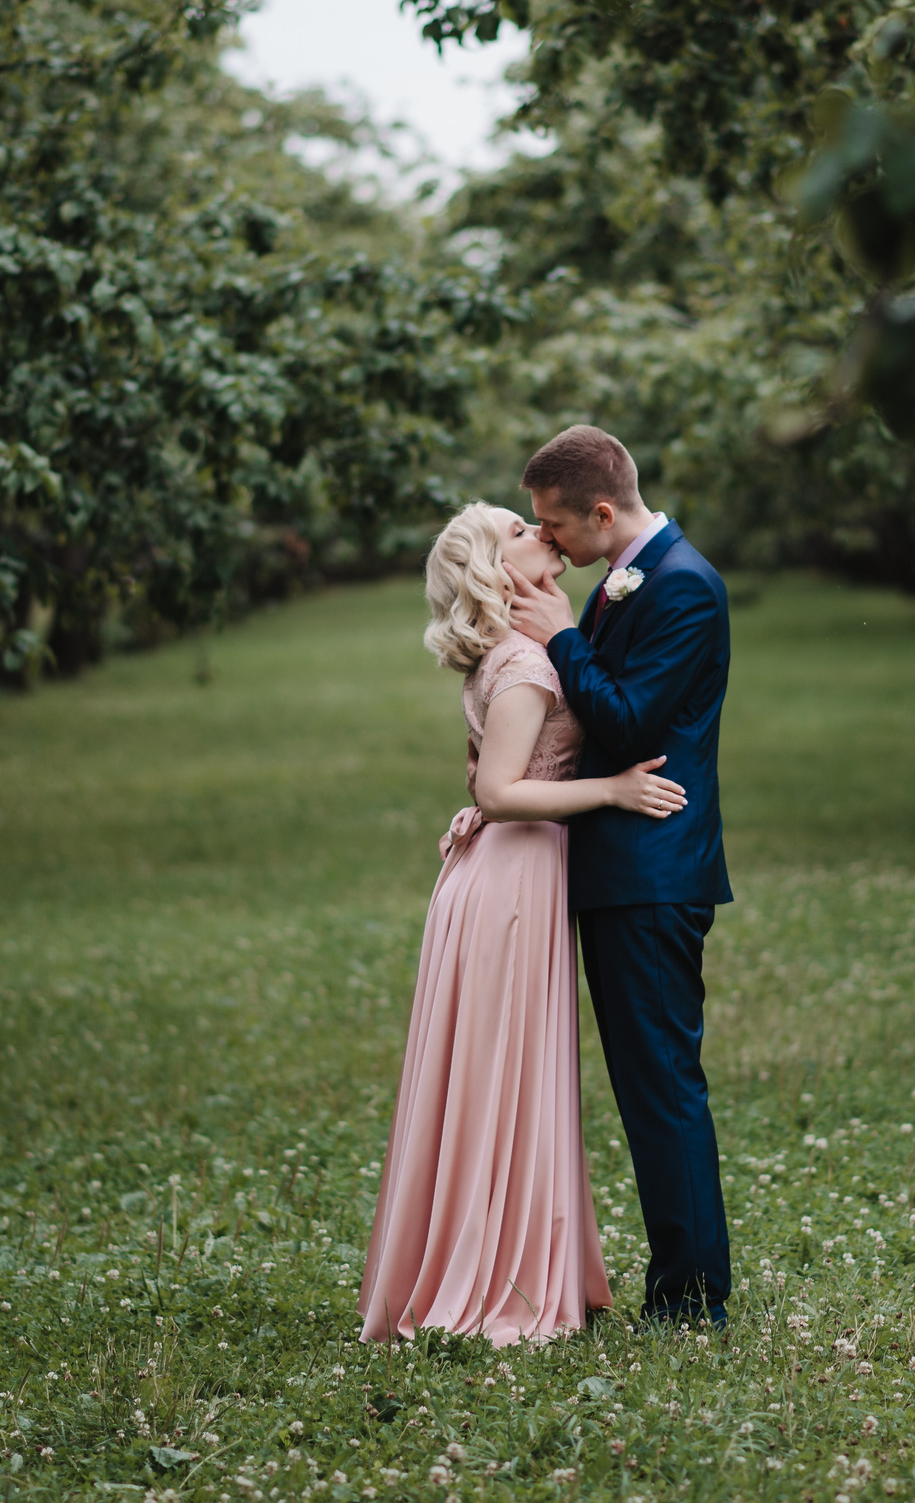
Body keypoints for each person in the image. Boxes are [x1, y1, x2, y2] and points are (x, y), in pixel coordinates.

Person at [358, 501, 688, 1346]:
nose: (541, 533)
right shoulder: (524, 666)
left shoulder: (531, 652)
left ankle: (513, 1261)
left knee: (508, 1078)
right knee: (498, 1078)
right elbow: (501, 790)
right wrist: (612, 791)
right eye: (518, 529)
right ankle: (492, 1278)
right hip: (509, 881)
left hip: (516, 874)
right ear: (493, 571)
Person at [506, 425, 735, 1329]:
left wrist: (563, 637)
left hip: (652, 872)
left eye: (554, 525)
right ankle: (678, 1287)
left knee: (662, 1089)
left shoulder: (685, 585)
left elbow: (633, 720)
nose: (548, 540)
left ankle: (690, 1301)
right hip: (618, 866)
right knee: (646, 1092)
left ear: (602, 511)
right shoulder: (628, 574)